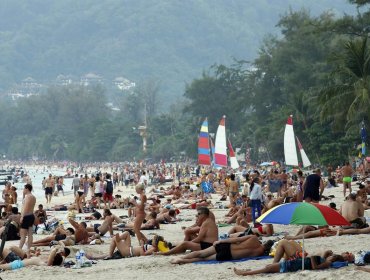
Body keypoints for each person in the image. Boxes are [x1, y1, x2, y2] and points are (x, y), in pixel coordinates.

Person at [233, 247, 354, 275]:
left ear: (333, 259)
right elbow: (326, 253)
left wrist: (311, 258)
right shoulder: (326, 258)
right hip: (295, 263)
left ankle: (244, 273)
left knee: (268, 268)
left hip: (292, 267)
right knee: (269, 266)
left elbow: (316, 268)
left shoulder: (327, 262)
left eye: (332, 257)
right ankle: (249, 271)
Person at [171, 235, 274, 264]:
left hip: (227, 246)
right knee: (203, 259)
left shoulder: (254, 238)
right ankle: (182, 261)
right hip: (228, 255)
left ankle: (180, 257)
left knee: (201, 253)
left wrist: (220, 241)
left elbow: (235, 239)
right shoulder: (259, 254)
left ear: (264, 242)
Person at [19, 183, 36, 258]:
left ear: (27, 189)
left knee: (23, 235)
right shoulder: (33, 197)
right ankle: (28, 248)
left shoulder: (28, 197)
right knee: (30, 234)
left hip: (26, 216)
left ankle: (19, 248)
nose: (23, 190)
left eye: (24, 188)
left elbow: (25, 207)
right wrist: (23, 195)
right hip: (31, 216)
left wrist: (22, 216)